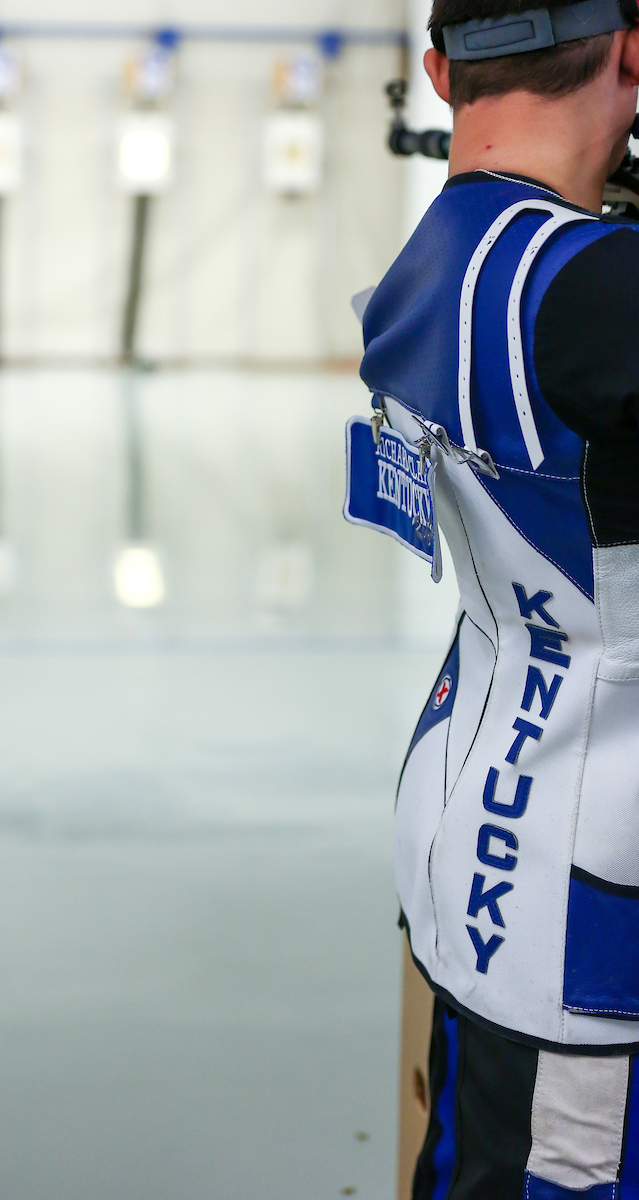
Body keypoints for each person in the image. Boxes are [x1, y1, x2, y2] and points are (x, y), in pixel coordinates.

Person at [356, 0, 639, 1193]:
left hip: (470, 841)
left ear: (439, 73)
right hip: (589, 903)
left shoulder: (431, 261)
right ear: (628, 54)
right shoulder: (596, 294)